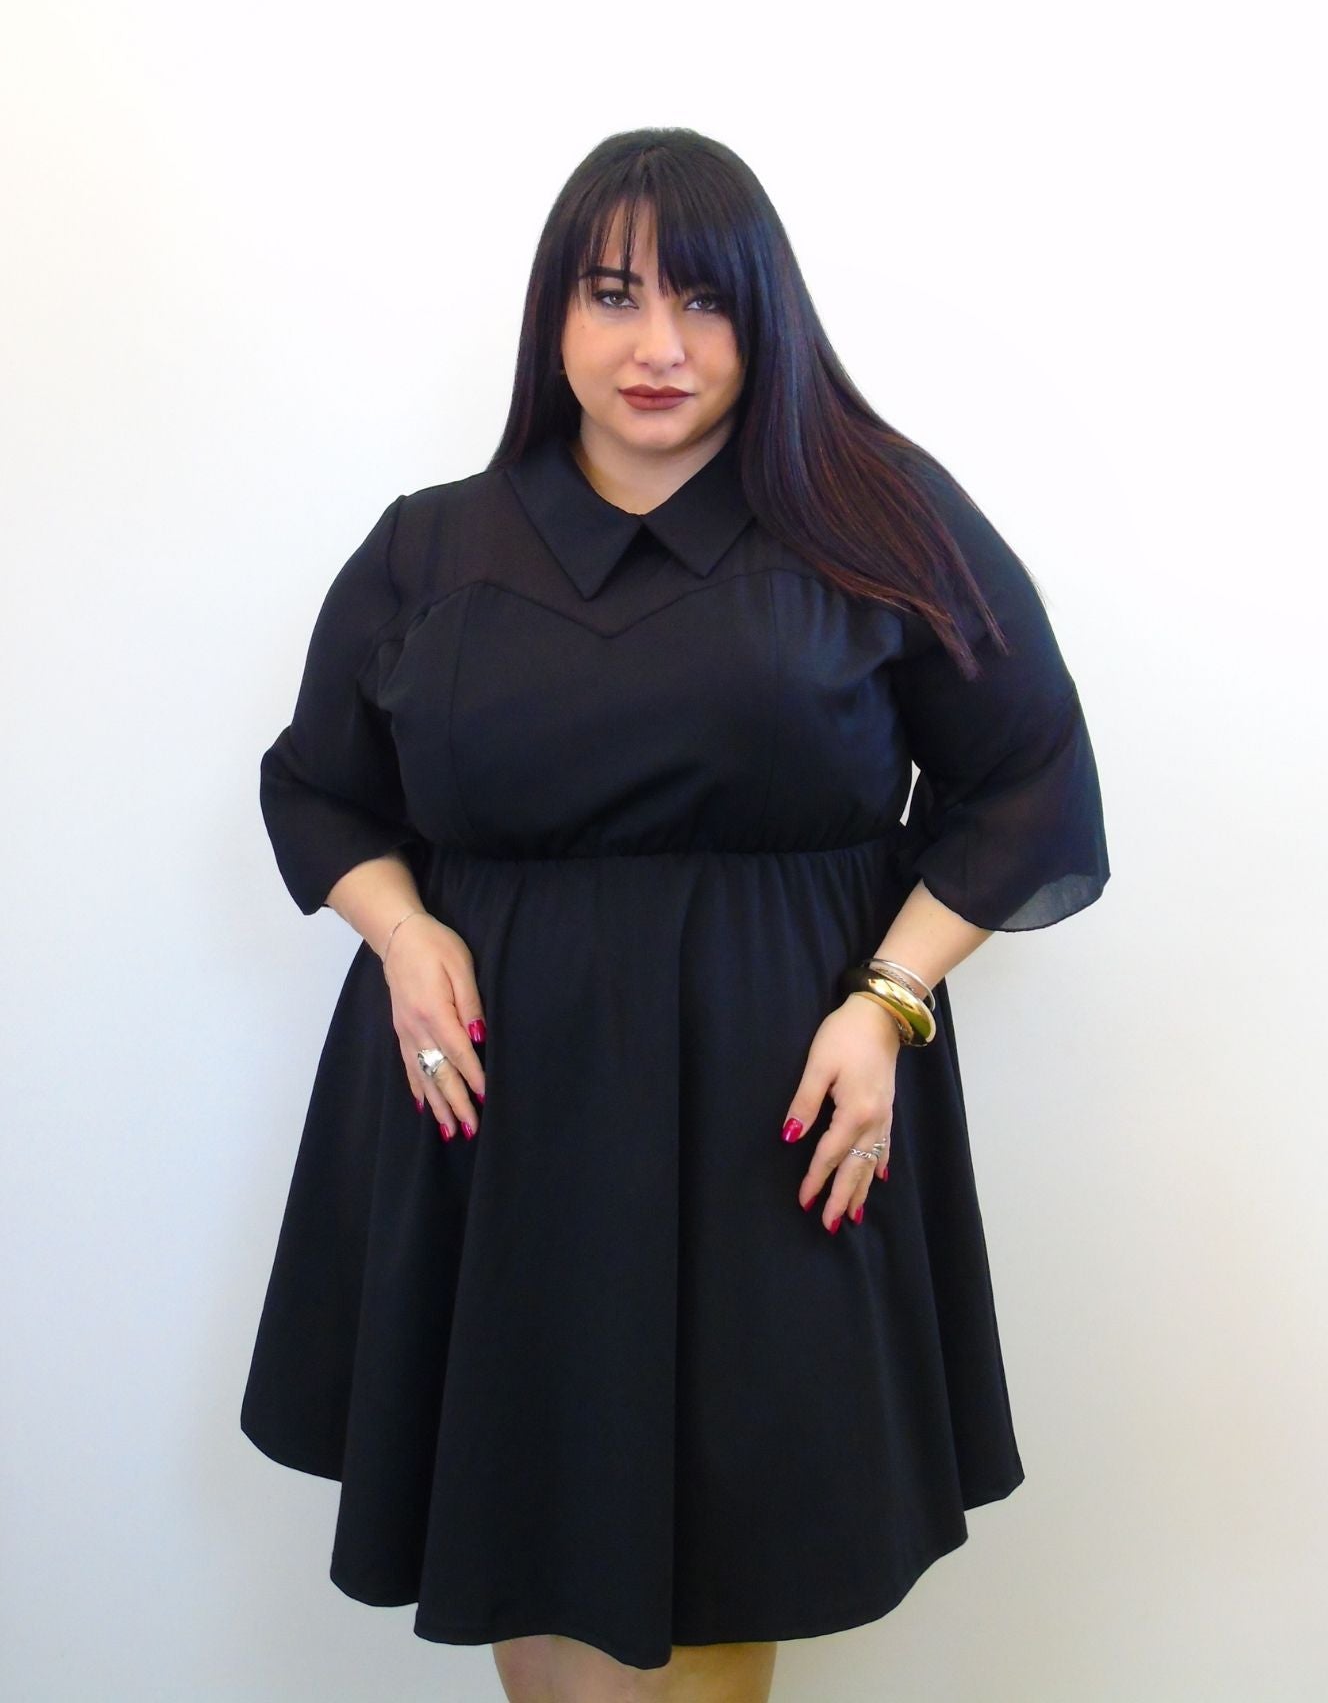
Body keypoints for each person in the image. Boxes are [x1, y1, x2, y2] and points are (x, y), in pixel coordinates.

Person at [240, 126, 1111, 1703]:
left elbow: (1028, 778)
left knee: (726, 1541)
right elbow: (320, 790)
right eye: (614, 294)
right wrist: (403, 931)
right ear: (553, 316)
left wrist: (889, 1002)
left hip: (775, 1112)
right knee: (530, 1518)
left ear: (766, 319)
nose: (659, 345)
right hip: (499, 1116)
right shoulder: (429, 547)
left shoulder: (878, 524)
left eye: (704, 300)